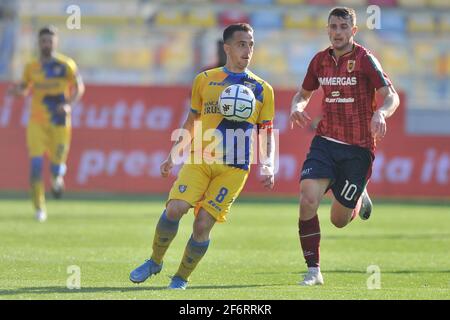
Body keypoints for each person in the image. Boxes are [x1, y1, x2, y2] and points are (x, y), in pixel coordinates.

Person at [130, 23, 275, 290]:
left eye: (251, 44)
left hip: (234, 168)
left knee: (202, 225)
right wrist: (173, 154)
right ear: (227, 47)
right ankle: (154, 261)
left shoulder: (263, 89)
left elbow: (265, 131)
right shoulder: (204, 80)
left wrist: (267, 165)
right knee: (174, 208)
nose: (248, 50)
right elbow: (192, 120)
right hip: (200, 159)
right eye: (242, 44)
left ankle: (180, 278)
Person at [289, 7, 400, 286]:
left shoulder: (365, 60)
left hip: (358, 150)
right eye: (333, 27)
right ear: (327, 30)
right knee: (307, 199)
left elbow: (391, 96)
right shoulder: (319, 61)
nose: (337, 32)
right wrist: (296, 107)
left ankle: (359, 195)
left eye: (342, 27)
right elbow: (302, 94)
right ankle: (313, 270)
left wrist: (381, 113)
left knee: (338, 220)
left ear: (353, 31)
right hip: (325, 142)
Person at [8, 25, 85, 222]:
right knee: (35, 165)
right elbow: (24, 89)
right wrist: (16, 91)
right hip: (37, 122)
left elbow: (79, 87)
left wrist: (69, 105)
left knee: (56, 167)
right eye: (43, 41)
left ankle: (57, 176)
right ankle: (39, 207)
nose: (46, 45)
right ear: (38, 43)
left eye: (50, 41)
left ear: (55, 42)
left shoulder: (66, 65)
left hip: (60, 122)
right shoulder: (31, 67)